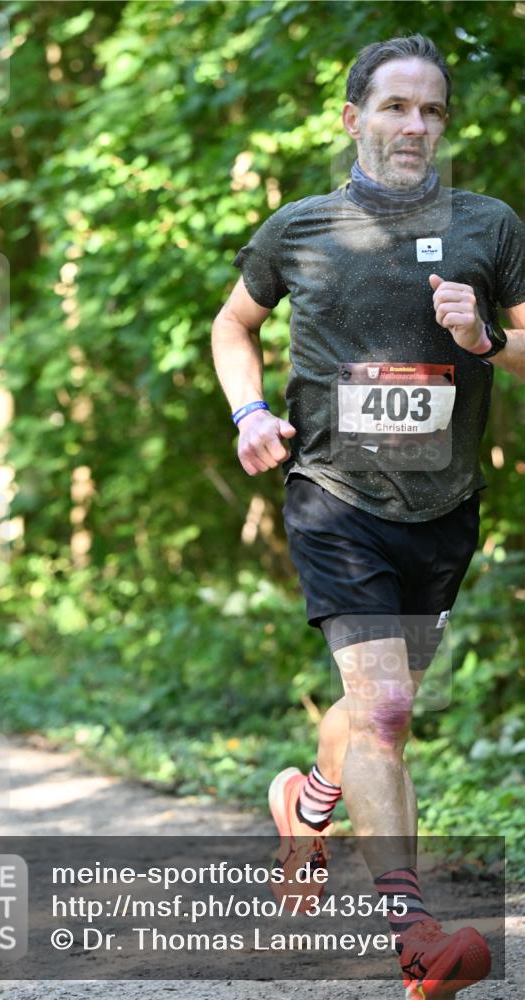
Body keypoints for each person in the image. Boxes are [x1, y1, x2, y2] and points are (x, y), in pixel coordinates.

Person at [211, 33, 525, 999]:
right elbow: (233, 324)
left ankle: (305, 805)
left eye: (431, 110)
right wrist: (249, 413)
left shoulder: (488, 226)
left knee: (377, 707)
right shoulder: (300, 228)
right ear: (353, 118)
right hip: (334, 498)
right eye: (395, 106)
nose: (414, 125)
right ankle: (415, 936)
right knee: (384, 710)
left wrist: (483, 337)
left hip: (442, 507)